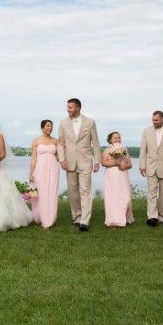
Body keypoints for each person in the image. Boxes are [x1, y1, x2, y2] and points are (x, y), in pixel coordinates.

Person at [57, 98, 101, 232]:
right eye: (67, 107)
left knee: (85, 191)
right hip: (69, 162)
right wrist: (61, 159)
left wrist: (97, 161)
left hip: (86, 162)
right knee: (73, 191)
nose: (67, 109)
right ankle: (77, 216)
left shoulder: (90, 122)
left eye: (70, 107)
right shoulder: (63, 122)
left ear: (78, 108)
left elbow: (96, 143)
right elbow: (60, 142)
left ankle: (85, 221)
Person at [29, 119, 59, 228]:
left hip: (53, 168)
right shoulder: (36, 141)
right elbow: (33, 159)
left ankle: (50, 218)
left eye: (51, 126)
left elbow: (58, 157)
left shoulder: (56, 141)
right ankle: (39, 216)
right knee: (40, 192)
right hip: (40, 168)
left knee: (51, 192)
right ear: (42, 128)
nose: (49, 128)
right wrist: (31, 173)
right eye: (47, 126)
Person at [101, 131, 134, 228]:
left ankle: (125, 216)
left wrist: (125, 166)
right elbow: (103, 163)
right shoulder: (107, 150)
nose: (117, 139)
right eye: (115, 138)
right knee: (113, 196)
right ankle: (114, 219)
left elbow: (130, 164)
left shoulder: (124, 150)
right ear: (110, 140)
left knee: (125, 196)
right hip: (111, 176)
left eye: (119, 138)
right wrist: (116, 163)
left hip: (122, 175)